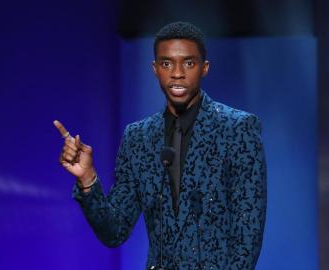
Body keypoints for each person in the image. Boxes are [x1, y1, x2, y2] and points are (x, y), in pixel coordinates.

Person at [54, 21, 267, 270]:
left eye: (189, 63)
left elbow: (247, 234)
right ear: (155, 69)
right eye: (167, 63)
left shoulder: (238, 129)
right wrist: (88, 179)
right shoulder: (138, 138)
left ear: (204, 68)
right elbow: (114, 231)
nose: (177, 73)